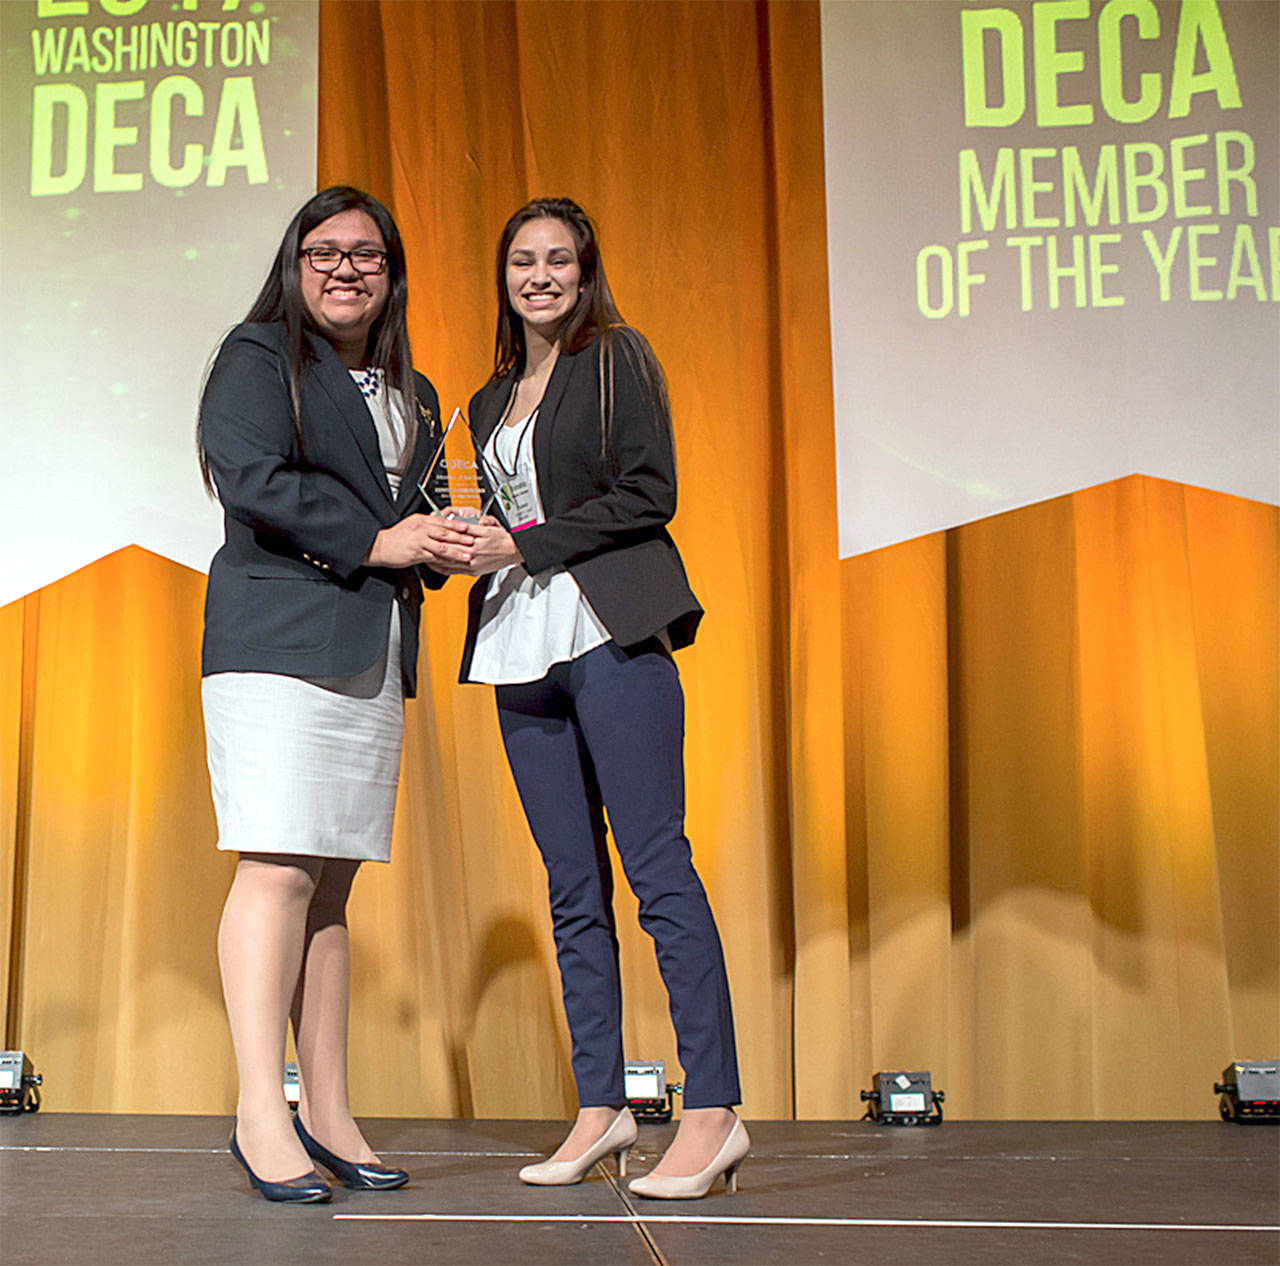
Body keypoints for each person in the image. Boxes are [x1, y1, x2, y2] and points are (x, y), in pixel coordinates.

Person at [450, 197, 748, 1199]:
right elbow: (491, 519)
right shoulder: (487, 400)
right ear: (502, 276)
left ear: (585, 270)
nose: (539, 275)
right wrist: (461, 545)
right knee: (571, 887)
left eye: (558, 259)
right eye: (522, 260)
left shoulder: (617, 356)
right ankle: (600, 1107)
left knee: (656, 869)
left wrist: (524, 543)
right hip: (518, 648)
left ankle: (711, 1113)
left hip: (609, 630)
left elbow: (645, 492)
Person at [197, 186, 473, 1202]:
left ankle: (329, 1107)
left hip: (368, 648)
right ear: (293, 263)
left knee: (331, 886)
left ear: (392, 273)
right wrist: (378, 541)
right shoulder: (258, 357)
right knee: (274, 869)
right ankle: (258, 1112)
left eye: (365, 254)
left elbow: (422, 515)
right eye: (323, 252)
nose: (344, 269)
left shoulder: (419, 389)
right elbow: (251, 478)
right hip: (275, 642)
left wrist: (451, 543)